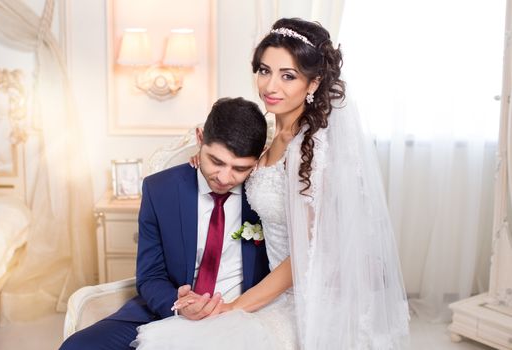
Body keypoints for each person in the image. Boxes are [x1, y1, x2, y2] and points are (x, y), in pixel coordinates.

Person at [132, 17, 410, 350]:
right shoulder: (269, 135)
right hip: (272, 291)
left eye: (288, 76)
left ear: (313, 83)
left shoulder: (313, 150)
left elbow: (307, 256)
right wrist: (200, 159)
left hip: (306, 298)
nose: (270, 86)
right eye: (265, 71)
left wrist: (236, 307)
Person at [59, 97, 270, 350]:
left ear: (257, 161)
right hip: (169, 310)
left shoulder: (265, 195)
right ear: (200, 139)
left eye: (240, 168)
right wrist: (179, 306)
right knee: (78, 346)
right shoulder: (160, 189)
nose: (225, 178)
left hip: (240, 315)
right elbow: (150, 275)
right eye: (216, 161)